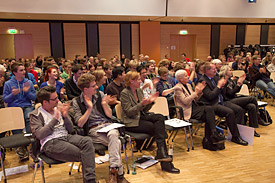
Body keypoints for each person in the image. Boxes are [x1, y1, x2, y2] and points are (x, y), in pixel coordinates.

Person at [30, 86, 96, 183]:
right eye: (54, 99)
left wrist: (65, 117)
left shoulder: (58, 108)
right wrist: (55, 119)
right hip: (51, 142)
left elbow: (70, 129)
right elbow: (40, 134)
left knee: (87, 141)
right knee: (85, 154)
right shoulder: (36, 114)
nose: (58, 101)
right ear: (45, 102)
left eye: (57, 97)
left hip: (66, 136)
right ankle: (90, 181)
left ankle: (90, 180)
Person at [72, 74, 129, 183]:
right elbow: (79, 123)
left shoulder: (100, 95)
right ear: (86, 89)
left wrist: (104, 103)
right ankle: (119, 174)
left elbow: (108, 115)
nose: (97, 87)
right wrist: (89, 108)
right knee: (116, 141)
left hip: (108, 125)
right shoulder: (77, 102)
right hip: (94, 130)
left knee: (113, 136)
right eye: (93, 86)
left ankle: (114, 170)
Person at [120, 71, 180, 174]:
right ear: (131, 81)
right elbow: (129, 112)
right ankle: (164, 159)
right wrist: (142, 104)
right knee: (159, 129)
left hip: (141, 117)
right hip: (131, 122)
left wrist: (150, 102)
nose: (140, 81)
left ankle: (161, 152)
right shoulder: (125, 93)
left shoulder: (139, 90)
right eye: (138, 79)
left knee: (160, 117)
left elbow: (144, 110)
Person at [198, 62, 248, 146]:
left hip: (222, 101)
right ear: (207, 70)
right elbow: (210, 96)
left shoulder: (216, 78)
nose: (215, 70)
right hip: (211, 105)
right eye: (213, 69)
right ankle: (235, 136)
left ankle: (241, 133)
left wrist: (232, 84)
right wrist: (219, 86)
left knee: (239, 110)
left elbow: (225, 93)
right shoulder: (203, 81)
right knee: (230, 112)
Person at [174, 70, 226, 144]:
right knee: (209, 110)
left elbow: (195, 99)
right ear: (180, 79)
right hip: (187, 110)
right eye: (186, 76)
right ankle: (213, 135)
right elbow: (185, 101)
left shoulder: (188, 85)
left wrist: (200, 92)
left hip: (194, 107)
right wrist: (196, 92)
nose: (188, 76)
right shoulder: (178, 88)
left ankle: (209, 139)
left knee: (209, 115)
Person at [219, 65, 269, 137]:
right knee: (252, 98)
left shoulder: (230, 80)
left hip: (234, 98)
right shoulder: (223, 80)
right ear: (225, 71)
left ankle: (252, 129)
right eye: (230, 70)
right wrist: (238, 84)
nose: (232, 71)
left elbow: (235, 92)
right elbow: (229, 93)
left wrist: (239, 83)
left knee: (251, 106)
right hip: (228, 101)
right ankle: (258, 118)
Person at [3, 62, 36, 160]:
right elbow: (5, 99)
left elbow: (34, 97)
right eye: (21, 70)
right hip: (14, 108)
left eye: (24, 70)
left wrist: (26, 93)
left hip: (26, 106)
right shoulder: (8, 84)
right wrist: (13, 94)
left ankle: (29, 142)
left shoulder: (28, 82)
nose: (24, 72)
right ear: (14, 72)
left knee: (29, 117)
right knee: (16, 123)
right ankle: (21, 148)